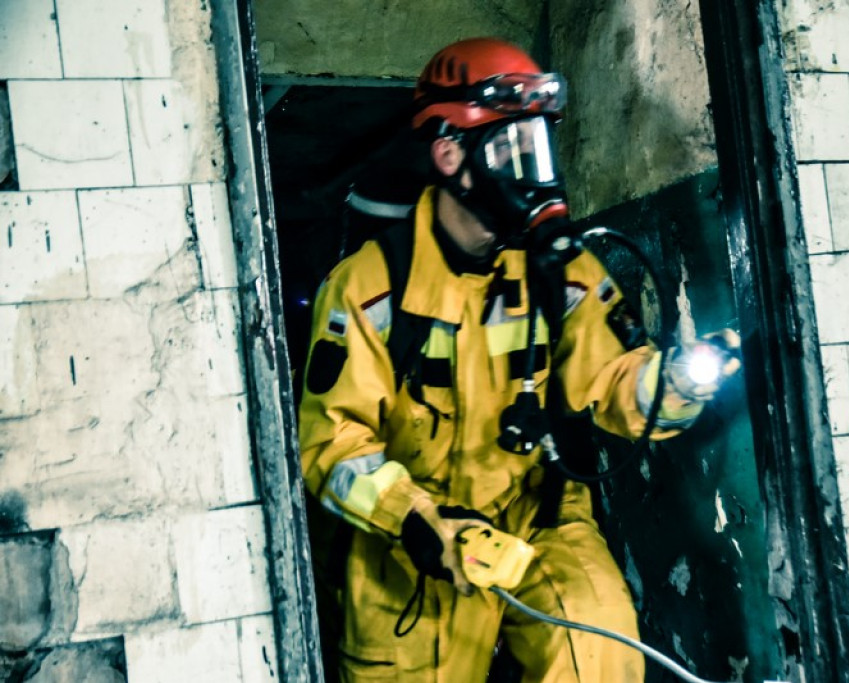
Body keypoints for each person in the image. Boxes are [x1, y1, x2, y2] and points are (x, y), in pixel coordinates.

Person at [298, 37, 738, 682]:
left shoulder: (563, 273)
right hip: (416, 545)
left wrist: (673, 382)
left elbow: (614, 385)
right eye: (513, 150)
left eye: (540, 146)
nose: (536, 173)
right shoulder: (367, 289)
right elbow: (333, 446)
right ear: (450, 153)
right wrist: (417, 522)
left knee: (602, 658)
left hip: (539, 517)